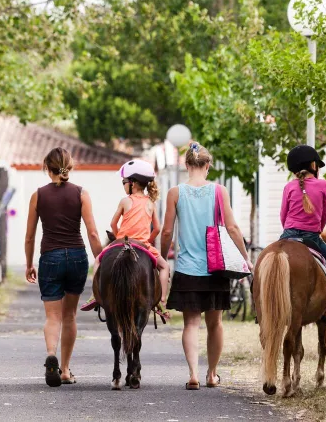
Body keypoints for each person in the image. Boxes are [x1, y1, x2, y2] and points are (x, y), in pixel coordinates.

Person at [160, 142, 253, 390]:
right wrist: (245, 258)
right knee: (215, 324)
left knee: (191, 324)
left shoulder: (175, 192)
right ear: (208, 165)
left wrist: (160, 258)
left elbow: (167, 230)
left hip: (187, 269)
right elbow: (232, 228)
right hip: (215, 267)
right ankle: (212, 374)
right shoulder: (219, 191)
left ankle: (193, 374)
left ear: (186, 165)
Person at [24, 147, 102, 387]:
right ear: (71, 166)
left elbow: (29, 236)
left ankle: (51, 354)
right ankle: (66, 369)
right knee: (70, 316)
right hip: (77, 257)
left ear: (47, 168)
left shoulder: (38, 195)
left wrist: (29, 264)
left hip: (50, 257)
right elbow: (92, 232)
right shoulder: (81, 193)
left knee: (53, 317)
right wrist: (100, 260)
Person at [80, 159, 171, 321]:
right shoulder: (151, 203)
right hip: (144, 245)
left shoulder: (125, 201)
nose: (123, 185)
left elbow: (113, 223)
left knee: (99, 261)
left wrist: (118, 238)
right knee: (164, 267)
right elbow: (157, 228)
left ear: (133, 183)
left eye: (124, 182)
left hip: (122, 241)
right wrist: (146, 241)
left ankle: (95, 295)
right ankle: (162, 301)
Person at [280, 144, 326, 335]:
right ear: (312, 165)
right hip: (311, 237)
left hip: (288, 235)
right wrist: (315, 229)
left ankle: (260, 306)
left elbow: (283, 216)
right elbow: (324, 216)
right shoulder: (324, 185)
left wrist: (290, 231)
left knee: (264, 262)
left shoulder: (289, 187)